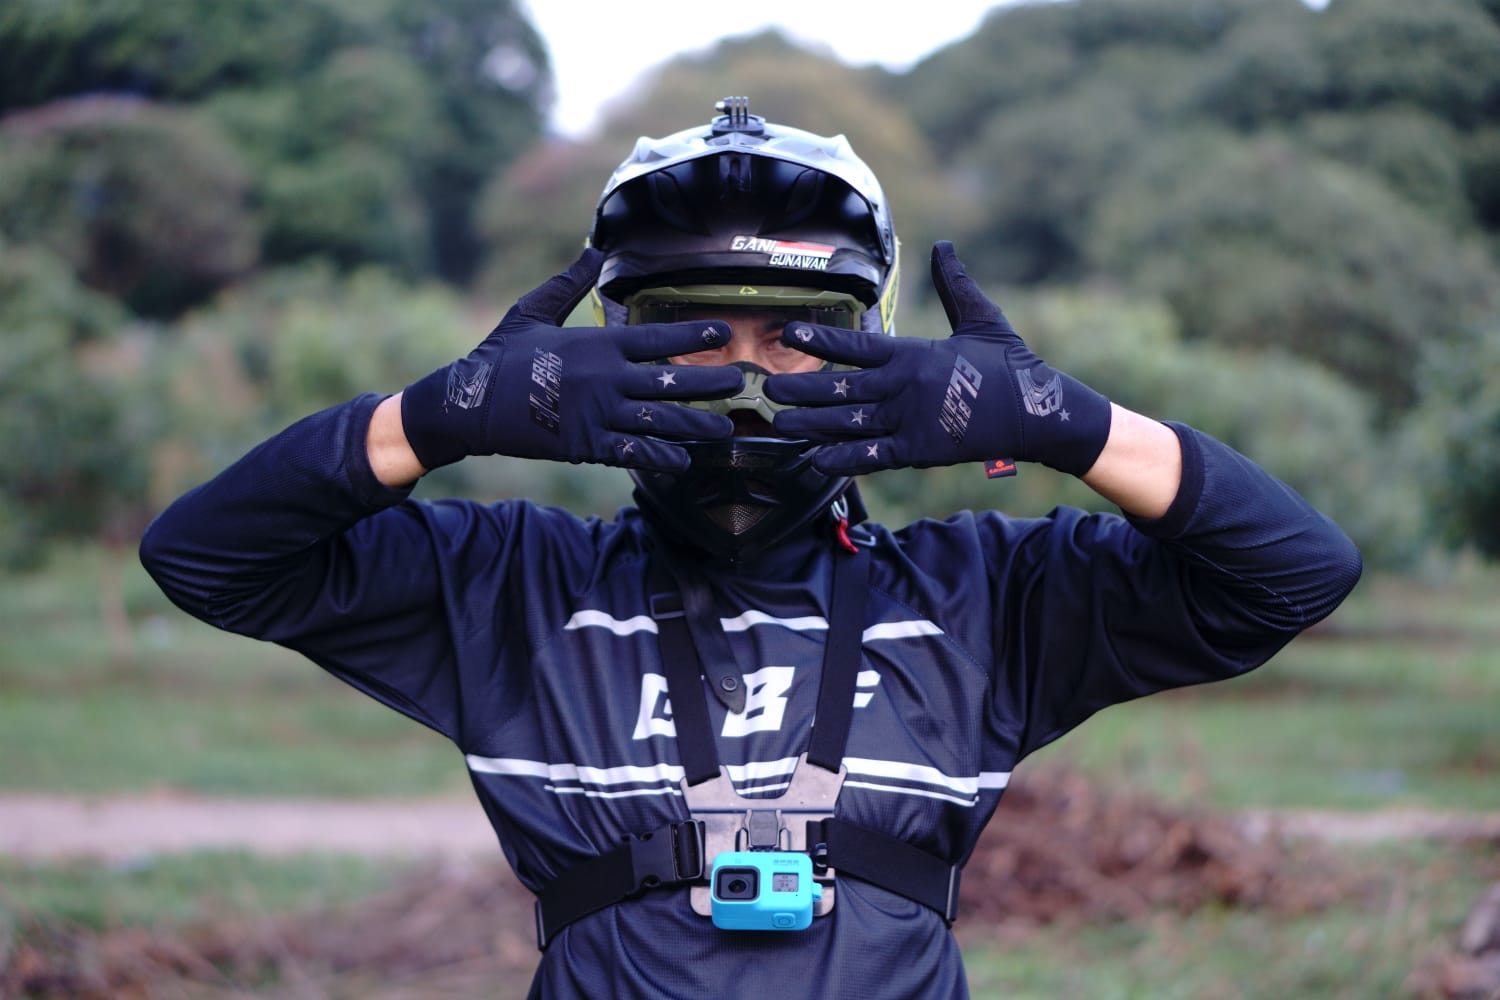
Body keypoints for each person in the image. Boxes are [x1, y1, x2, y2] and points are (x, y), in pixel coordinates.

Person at [140, 98, 1363, 999]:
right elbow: (207, 556)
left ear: (875, 338)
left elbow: (1294, 574)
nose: (741, 381)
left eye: (795, 335)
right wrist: (435, 416)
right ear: (608, 344)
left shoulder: (985, 596)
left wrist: (1070, 423)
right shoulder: (507, 586)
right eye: (691, 332)